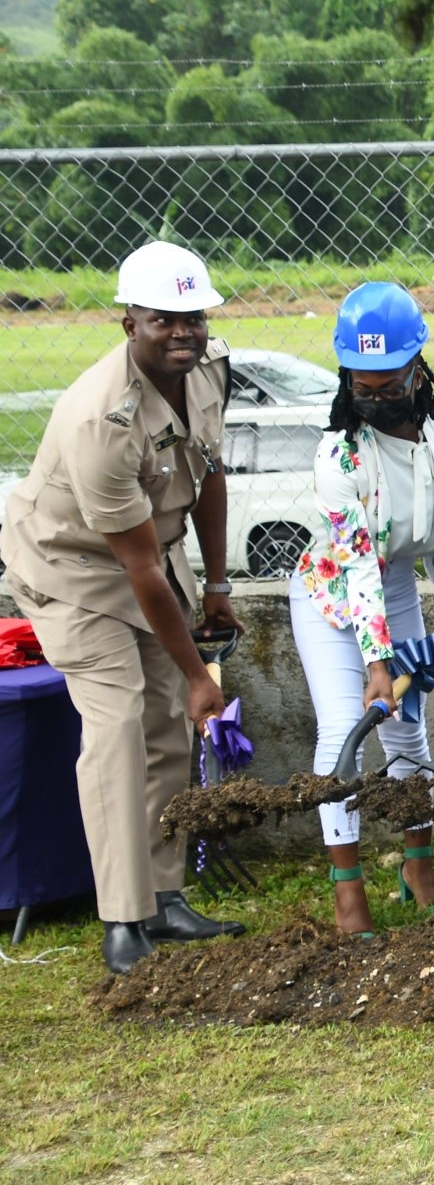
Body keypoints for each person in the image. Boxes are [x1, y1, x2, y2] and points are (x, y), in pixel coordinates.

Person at [1, 242, 247, 973]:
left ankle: (164, 896)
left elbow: (208, 474)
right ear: (128, 323)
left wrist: (218, 584)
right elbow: (135, 566)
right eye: (162, 319)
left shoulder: (210, 369)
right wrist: (200, 670)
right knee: (117, 721)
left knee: (170, 725)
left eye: (193, 317)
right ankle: (123, 921)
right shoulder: (98, 421)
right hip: (71, 568)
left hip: (150, 553)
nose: (183, 331)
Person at [290, 283, 434, 936]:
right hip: (331, 594)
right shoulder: (338, 453)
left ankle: (418, 866)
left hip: (392, 584)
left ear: (417, 366)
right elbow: (357, 562)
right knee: (346, 728)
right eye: (361, 385)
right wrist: (376, 663)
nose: (375, 397)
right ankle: (347, 891)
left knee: (409, 730)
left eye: (387, 382)